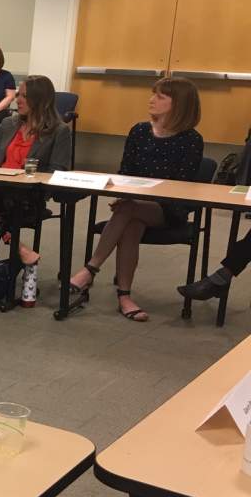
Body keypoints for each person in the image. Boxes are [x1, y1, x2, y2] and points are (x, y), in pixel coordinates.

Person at [68, 77, 203, 321]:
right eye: (153, 94)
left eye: (160, 96)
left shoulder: (191, 139)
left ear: (179, 104)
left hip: (169, 209)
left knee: (128, 210)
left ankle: (90, 269)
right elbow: (125, 172)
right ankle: (125, 297)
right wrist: (125, 195)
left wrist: (135, 200)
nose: (151, 100)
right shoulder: (139, 131)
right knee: (131, 222)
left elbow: (180, 186)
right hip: (134, 206)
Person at [0, 75, 72, 307]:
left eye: (24, 96)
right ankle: (18, 249)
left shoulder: (59, 131)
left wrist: (28, 177)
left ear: (40, 100)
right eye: (18, 95)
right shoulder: (8, 124)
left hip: (28, 196)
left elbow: (58, 171)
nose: (17, 100)